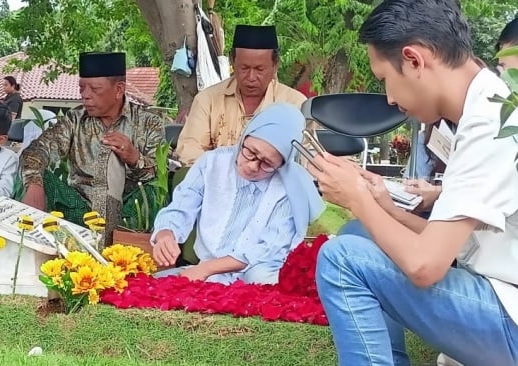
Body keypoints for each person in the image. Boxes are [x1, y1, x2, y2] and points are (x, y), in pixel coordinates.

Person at [307, 1, 518, 365]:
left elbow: (426, 266)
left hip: (509, 317)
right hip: (498, 295)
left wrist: (358, 198)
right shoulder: (486, 106)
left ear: (414, 60)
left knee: (341, 259)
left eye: (385, 80)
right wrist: (384, 209)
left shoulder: (490, 121)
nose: (390, 99)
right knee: (360, 234)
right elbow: (458, 245)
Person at [151, 103, 324, 284]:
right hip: (203, 270)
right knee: (154, 283)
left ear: (282, 164)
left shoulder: (289, 189)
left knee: (259, 277)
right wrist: (166, 233)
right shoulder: (212, 163)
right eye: (251, 152)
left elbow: (267, 249)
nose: (252, 166)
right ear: (244, 137)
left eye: (267, 163)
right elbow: (182, 206)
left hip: (257, 273)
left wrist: (207, 269)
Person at [19, 52, 166, 242]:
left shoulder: (149, 123)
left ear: (119, 89)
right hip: (79, 213)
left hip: (129, 215)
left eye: (95, 89)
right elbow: (38, 149)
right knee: (34, 173)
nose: (85, 95)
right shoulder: (75, 120)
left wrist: (134, 158)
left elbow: (161, 174)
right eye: (82, 88)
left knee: (156, 192)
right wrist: (34, 184)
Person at [175, 24, 310, 166]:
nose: (251, 77)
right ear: (233, 62)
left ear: (275, 65)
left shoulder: (295, 104)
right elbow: (189, 152)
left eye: (259, 69)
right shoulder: (207, 100)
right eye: (244, 68)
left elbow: (306, 159)